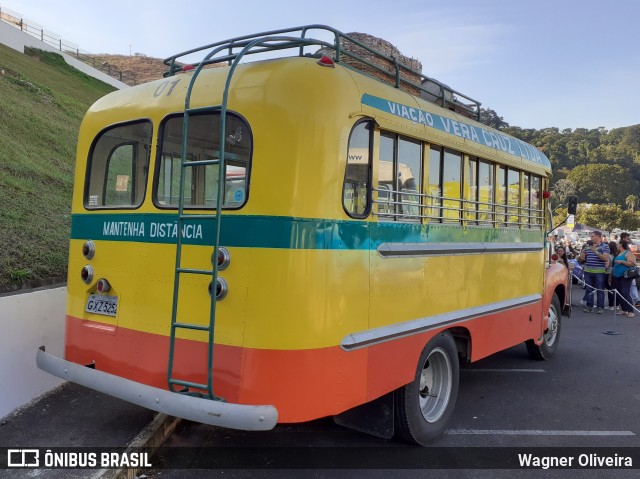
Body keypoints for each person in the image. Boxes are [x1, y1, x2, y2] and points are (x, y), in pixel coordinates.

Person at [578, 231, 610, 314]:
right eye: (591, 236)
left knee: (600, 289)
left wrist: (596, 251)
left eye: (592, 236)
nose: (591, 238)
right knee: (589, 289)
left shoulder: (605, 247)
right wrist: (582, 257)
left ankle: (600, 307)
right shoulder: (587, 246)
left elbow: (605, 258)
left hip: (599, 271)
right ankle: (589, 306)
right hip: (588, 271)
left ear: (598, 237)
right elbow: (582, 259)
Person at [611, 241, 637, 318]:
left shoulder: (628, 253)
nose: (616, 245)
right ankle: (624, 309)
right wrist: (611, 275)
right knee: (619, 293)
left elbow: (633, 263)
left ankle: (630, 310)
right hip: (616, 275)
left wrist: (622, 261)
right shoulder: (618, 253)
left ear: (621, 245)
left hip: (625, 276)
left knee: (625, 292)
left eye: (617, 244)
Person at [620, 232, 640, 306]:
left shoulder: (627, 245)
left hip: (629, 268)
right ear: (623, 238)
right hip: (623, 268)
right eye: (627, 238)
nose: (629, 239)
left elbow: (634, 243)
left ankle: (636, 300)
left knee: (632, 284)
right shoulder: (620, 246)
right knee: (625, 285)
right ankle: (627, 300)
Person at [605, 241, 618, 310]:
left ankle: (611, 305)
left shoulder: (609, 256)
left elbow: (607, 265)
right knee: (615, 289)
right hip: (615, 273)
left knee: (610, 290)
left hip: (608, 273)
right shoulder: (617, 255)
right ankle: (617, 305)